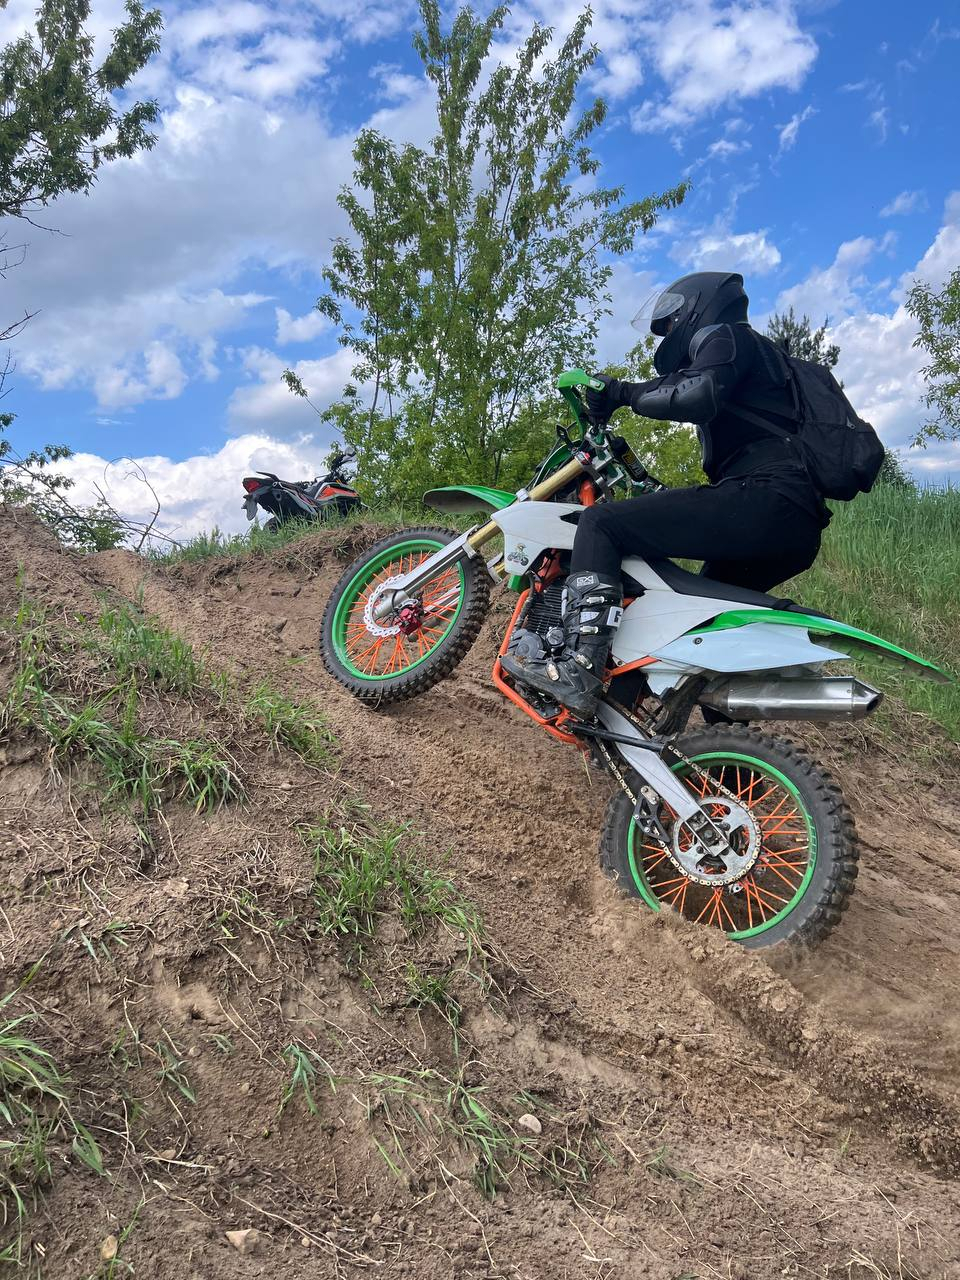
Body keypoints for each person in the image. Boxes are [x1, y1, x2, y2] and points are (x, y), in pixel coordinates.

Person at [501, 270, 831, 720]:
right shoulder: (770, 366)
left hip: (764, 497)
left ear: (699, 307)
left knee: (600, 523)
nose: (669, 333)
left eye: (671, 322)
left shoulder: (728, 337)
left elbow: (696, 392)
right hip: (794, 520)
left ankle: (579, 667)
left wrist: (621, 392)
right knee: (702, 627)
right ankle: (719, 748)